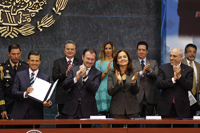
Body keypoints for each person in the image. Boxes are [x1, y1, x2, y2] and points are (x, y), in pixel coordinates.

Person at [11, 51, 52, 122]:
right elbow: (14, 92)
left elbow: (47, 98)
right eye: (32, 60)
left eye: (37, 61)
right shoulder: (20, 75)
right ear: (28, 61)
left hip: (36, 115)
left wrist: (48, 103)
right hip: (20, 115)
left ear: (40, 62)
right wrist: (25, 93)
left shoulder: (45, 78)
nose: (34, 63)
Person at [62, 48, 102, 119]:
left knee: (86, 130)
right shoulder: (74, 69)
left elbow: (94, 88)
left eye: (92, 59)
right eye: (88, 58)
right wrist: (75, 79)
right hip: (72, 109)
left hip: (88, 109)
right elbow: (64, 85)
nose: (90, 61)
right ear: (83, 57)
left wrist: (85, 77)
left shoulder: (97, 73)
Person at [156, 48, 193, 118]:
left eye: (174, 56)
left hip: (182, 108)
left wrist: (179, 77)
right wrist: (173, 80)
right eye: (170, 56)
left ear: (181, 57)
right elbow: (158, 84)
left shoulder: (188, 69)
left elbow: (189, 86)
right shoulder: (163, 68)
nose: (171, 58)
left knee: (180, 129)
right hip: (165, 107)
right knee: (164, 129)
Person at [107, 50, 140, 119]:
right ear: (117, 61)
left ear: (128, 59)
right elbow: (110, 92)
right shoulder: (112, 73)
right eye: (120, 57)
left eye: (124, 57)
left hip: (132, 109)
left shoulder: (134, 72)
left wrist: (133, 82)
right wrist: (118, 82)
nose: (122, 59)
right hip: (116, 110)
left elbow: (136, 91)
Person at [52, 40, 81, 116]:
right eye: (68, 49)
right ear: (64, 50)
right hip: (62, 96)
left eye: (72, 49)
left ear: (75, 51)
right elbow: (54, 77)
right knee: (63, 121)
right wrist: (65, 73)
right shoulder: (57, 62)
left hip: (76, 96)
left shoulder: (80, 63)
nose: (70, 51)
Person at [0, 44, 29, 120]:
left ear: (21, 53)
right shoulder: (2, 67)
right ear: (8, 54)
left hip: (22, 105)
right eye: (13, 54)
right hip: (8, 105)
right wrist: (2, 108)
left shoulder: (25, 67)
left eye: (18, 54)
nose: (16, 56)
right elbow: (0, 90)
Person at [132, 41, 158, 117]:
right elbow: (131, 77)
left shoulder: (153, 63)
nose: (141, 52)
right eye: (139, 50)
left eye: (143, 50)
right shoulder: (131, 63)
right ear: (136, 51)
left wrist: (149, 70)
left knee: (149, 123)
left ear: (147, 51)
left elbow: (156, 75)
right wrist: (142, 72)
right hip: (137, 96)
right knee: (137, 123)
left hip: (150, 96)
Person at [95, 41, 115, 118]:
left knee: (113, 113)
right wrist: (107, 70)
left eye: (110, 48)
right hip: (102, 90)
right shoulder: (99, 62)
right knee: (103, 114)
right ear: (103, 50)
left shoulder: (116, 61)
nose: (108, 50)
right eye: (106, 48)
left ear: (112, 49)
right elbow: (98, 78)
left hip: (113, 89)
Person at [181, 43, 200, 116]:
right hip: (183, 97)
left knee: (192, 121)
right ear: (185, 53)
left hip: (195, 98)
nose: (192, 54)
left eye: (194, 52)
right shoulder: (180, 63)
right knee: (182, 123)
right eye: (190, 51)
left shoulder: (198, 65)